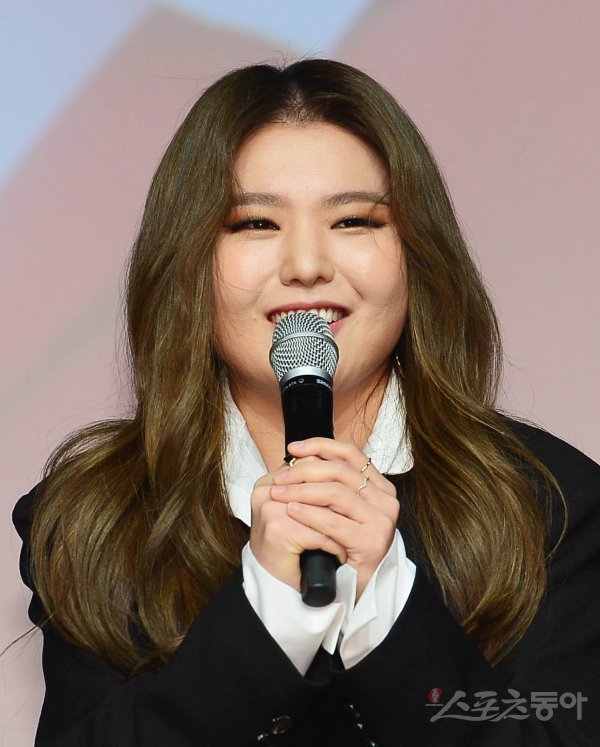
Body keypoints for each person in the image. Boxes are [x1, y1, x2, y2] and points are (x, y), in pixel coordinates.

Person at [12, 59, 600, 746]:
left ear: (417, 254)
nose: (307, 265)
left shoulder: (550, 501)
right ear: (187, 261)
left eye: (353, 220)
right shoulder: (92, 517)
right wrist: (265, 617)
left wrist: (386, 607)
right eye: (255, 223)